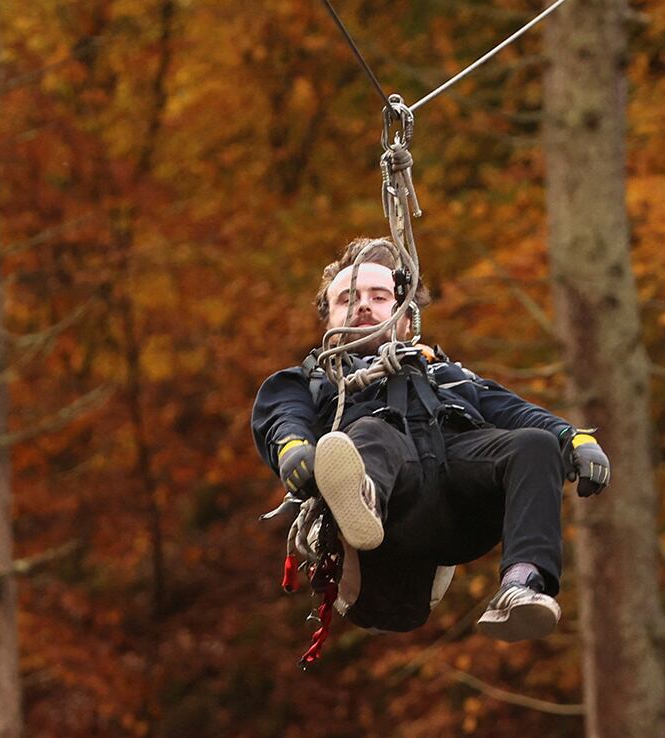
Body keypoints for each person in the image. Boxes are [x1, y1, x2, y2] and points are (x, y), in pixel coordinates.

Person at [250, 239, 609, 641]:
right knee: (371, 431)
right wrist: (293, 449)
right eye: (348, 299)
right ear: (329, 320)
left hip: (460, 496)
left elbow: (516, 411)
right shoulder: (313, 381)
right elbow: (283, 417)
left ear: (406, 318)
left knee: (533, 444)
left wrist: (572, 439)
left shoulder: (449, 375)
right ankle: (358, 498)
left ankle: (521, 585)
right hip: (393, 509)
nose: (364, 306)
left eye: (380, 296)